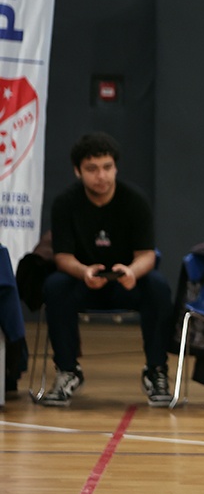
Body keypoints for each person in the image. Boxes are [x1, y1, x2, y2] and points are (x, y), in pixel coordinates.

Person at [39, 132, 174, 407]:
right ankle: (67, 370)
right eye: (92, 169)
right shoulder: (65, 203)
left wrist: (132, 272)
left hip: (125, 284)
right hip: (84, 282)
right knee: (54, 286)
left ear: (115, 168)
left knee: (158, 287)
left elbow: (147, 255)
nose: (101, 176)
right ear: (77, 171)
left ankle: (156, 370)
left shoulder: (134, 201)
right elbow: (62, 257)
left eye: (107, 167)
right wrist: (84, 272)